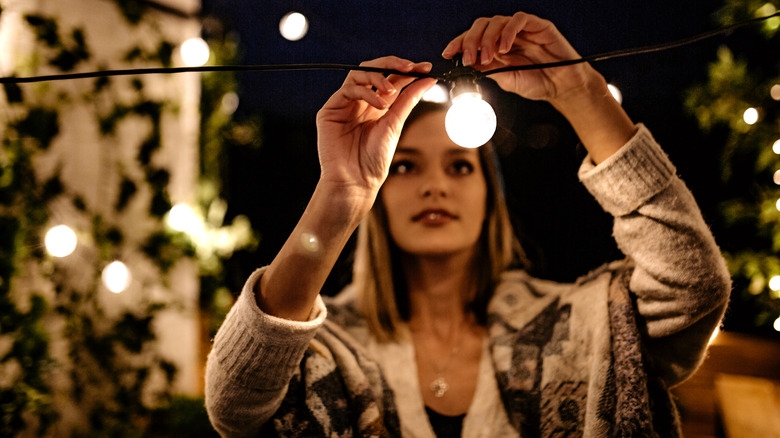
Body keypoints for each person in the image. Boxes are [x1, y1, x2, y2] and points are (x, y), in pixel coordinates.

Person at [205, 11, 731, 437]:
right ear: (383, 196)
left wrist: (580, 92)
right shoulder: (329, 348)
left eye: (460, 165)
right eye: (406, 166)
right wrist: (341, 193)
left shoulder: (574, 327)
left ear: (489, 196)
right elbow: (233, 407)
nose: (435, 186)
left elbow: (693, 284)